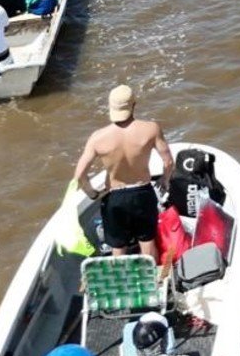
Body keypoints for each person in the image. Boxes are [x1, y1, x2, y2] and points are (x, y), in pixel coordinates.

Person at [74, 85, 173, 259]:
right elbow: (168, 161)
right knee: (147, 242)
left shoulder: (98, 137)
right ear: (133, 105)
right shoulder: (151, 129)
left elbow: (79, 175)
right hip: (142, 193)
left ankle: (120, 280)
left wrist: (92, 193)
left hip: (114, 197)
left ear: (111, 108)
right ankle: (154, 280)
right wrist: (165, 180)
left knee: (118, 247)